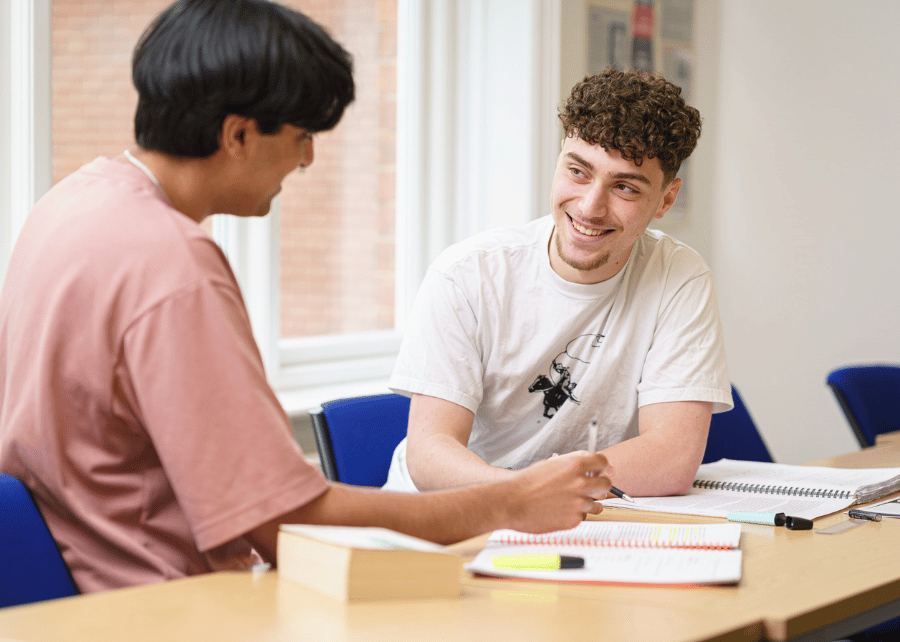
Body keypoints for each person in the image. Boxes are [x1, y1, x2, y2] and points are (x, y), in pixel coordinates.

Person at [0, 0, 612, 595]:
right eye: (301, 136)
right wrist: (511, 502)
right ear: (238, 134)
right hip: (164, 600)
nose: (308, 158)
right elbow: (287, 522)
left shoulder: (70, 205)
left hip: (75, 590)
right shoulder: (172, 264)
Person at [384, 68, 733, 497]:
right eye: (579, 172)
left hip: (577, 517)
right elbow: (430, 454)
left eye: (624, 187)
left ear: (665, 199)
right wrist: (527, 495)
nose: (590, 207)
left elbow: (671, 460)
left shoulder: (678, 277)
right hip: (449, 517)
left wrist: (544, 495)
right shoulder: (467, 275)